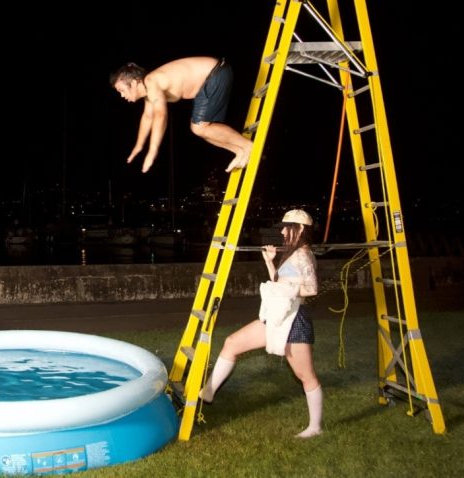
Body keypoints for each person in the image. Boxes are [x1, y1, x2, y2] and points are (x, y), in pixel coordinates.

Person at [198, 208, 324, 438]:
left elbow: (312, 289)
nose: (283, 232)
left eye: (287, 227)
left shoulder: (303, 255)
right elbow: (281, 281)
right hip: (278, 315)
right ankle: (208, 392)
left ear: (301, 230)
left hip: (294, 319)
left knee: (305, 375)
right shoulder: (292, 253)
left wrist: (288, 290)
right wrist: (269, 262)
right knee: (232, 343)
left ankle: (315, 427)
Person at [110, 57, 254, 173]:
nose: (122, 95)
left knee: (199, 128)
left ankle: (247, 146)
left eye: (122, 90)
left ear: (134, 83)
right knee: (200, 130)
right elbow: (148, 118)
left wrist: (152, 151)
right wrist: (139, 147)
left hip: (216, 73)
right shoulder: (149, 92)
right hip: (210, 79)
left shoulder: (151, 82)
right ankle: (239, 150)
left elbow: (161, 115)